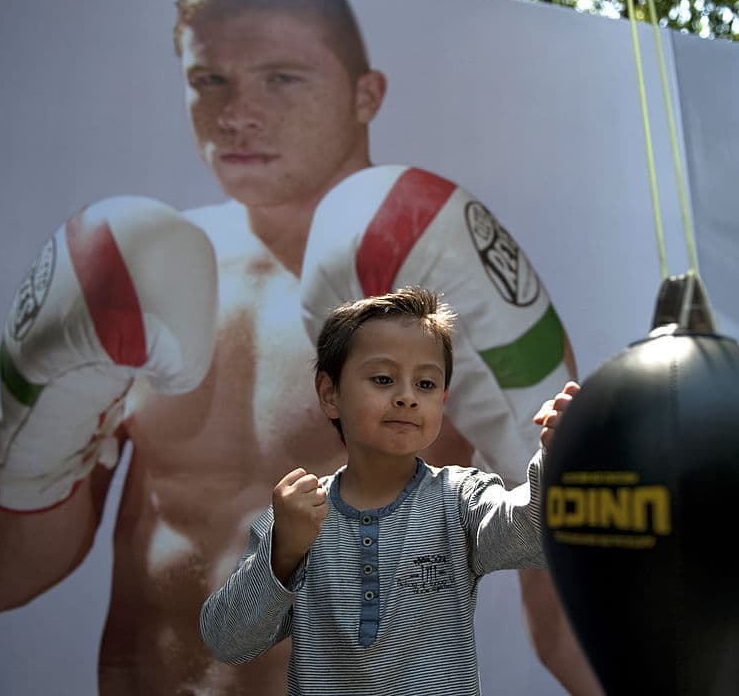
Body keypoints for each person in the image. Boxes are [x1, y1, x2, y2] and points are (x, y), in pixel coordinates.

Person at [0, 0, 601, 693]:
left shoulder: (436, 296)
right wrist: (20, 423)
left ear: (367, 94)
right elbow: (2, 579)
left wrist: (558, 461)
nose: (237, 114)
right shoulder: (137, 276)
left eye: (281, 78)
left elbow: (577, 639)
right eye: (210, 81)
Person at [201, 287, 580, 695]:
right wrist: (284, 552)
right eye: (383, 379)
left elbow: (535, 533)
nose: (406, 397)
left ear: (444, 400)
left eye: (426, 384)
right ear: (330, 394)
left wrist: (557, 458)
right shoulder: (297, 517)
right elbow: (227, 642)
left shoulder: (460, 498)